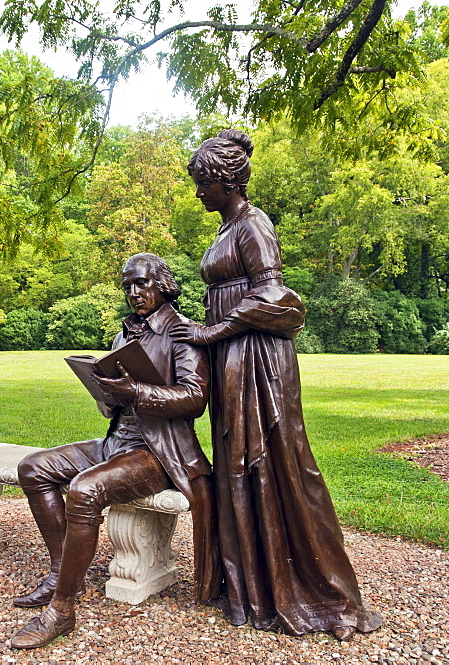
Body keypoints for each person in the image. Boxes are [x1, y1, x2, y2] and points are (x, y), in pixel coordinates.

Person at [171, 129, 382, 642]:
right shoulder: (226, 230)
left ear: (225, 181)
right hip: (231, 358)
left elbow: (276, 297)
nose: (198, 192)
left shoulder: (254, 226)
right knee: (239, 463)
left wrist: (212, 330)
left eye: (203, 183)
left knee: (274, 462)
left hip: (257, 360)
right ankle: (252, 587)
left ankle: (309, 588)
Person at [10, 253, 221, 650]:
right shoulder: (124, 334)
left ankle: (61, 609)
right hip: (116, 442)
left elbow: (195, 399)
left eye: (141, 284)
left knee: (85, 490)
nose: (134, 293)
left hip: (160, 452)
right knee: (33, 467)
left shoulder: (183, 333)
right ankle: (60, 572)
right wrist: (105, 395)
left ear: (163, 284)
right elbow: (115, 401)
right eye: (127, 286)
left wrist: (137, 392)